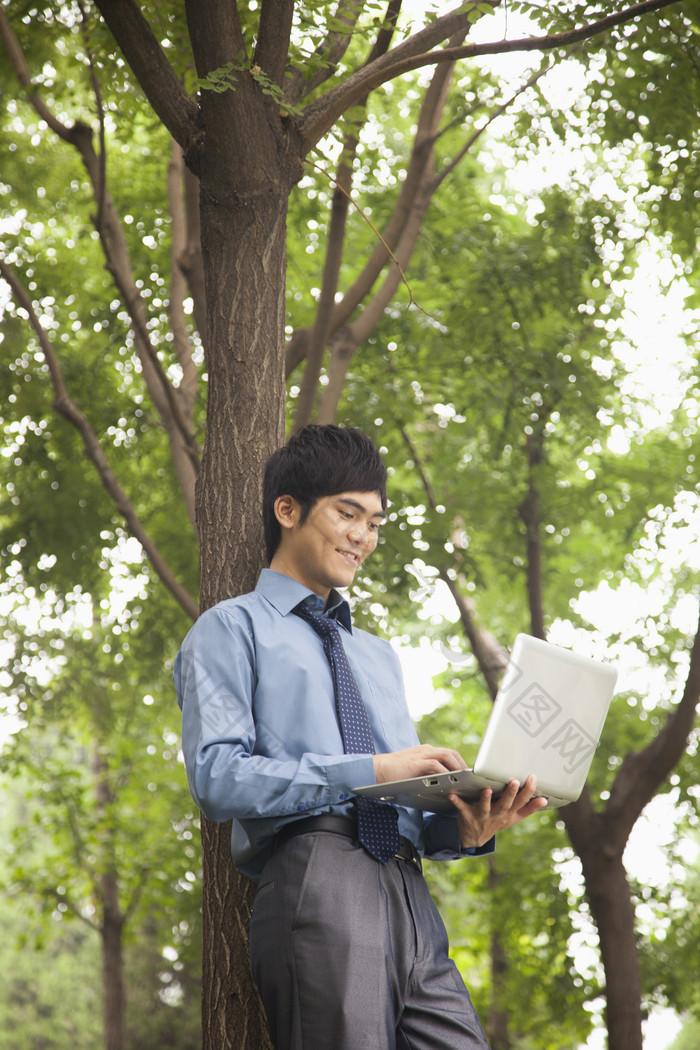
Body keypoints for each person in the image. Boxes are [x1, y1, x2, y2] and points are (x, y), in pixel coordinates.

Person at [174, 424, 546, 1050]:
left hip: (411, 897)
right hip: (318, 882)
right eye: (348, 515)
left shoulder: (377, 655)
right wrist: (371, 770)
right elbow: (217, 779)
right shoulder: (230, 629)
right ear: (287, 510)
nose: (363, 538)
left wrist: (465, 828)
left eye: (375, 522)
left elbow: (401, 798)